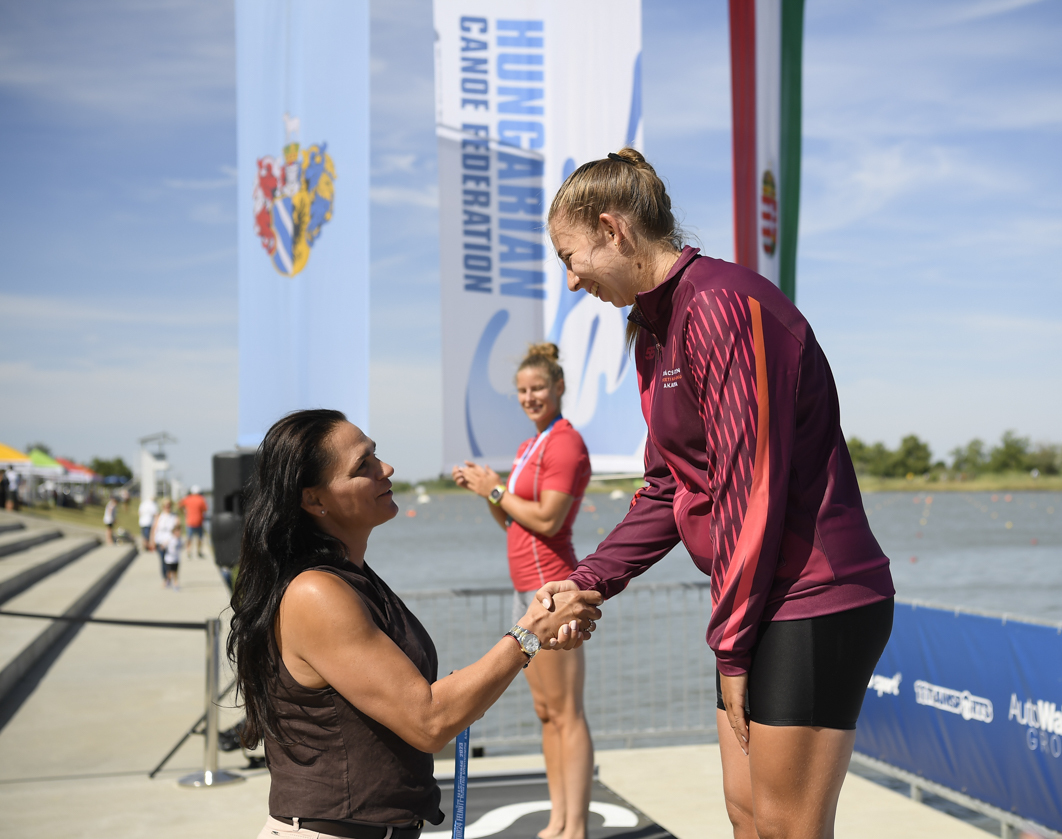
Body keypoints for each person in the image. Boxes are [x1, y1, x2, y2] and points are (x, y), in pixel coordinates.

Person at [536, 149, 896, 839]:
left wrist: (729, 646)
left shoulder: (720, 304)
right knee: (746, 813)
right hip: (755, 601)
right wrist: (587, 580)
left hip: (814, 594)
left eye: (569, 257)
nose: (572, 280)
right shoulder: (653, 330)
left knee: (788, 826)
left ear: (613, 229)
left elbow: (747, 488)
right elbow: (667, 487)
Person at [226, 409, 604, 839]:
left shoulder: (353, 578)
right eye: (363, 466)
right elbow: (429, 722)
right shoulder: (315, 593)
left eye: (376, 455)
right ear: (314, 501)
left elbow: (424, 706)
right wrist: (528, 633)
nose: (386, 469)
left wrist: (527, 643)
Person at [452, 343, 595, 839]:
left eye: (538, 388)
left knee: (566, 711)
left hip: (552, 588)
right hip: (526, 590)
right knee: (545, 712)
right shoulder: (528, 446)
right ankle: (559, 820)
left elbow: (548, 519)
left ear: (559, 387)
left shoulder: (565, 443)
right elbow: (513, 522)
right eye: (522, 390)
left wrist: (496, 489)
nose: (529, 397)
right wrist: (487, 491)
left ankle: (576, 828)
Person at [150, 498, 179, 588]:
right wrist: (152, 541)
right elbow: (154, 529)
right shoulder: (159, 516)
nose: (167, 507)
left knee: (172, 561)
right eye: (165, 505)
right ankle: (165, 578)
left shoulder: (174, 516)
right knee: (163, 561)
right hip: (160, 541)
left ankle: (173, 579)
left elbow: (178, 529)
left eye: (169, 505)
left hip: (171, 542)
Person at [179, 485, 208, 559]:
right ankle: (199, 552)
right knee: (200, 538)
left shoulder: (187, 498)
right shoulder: (201, 499)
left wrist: (184, 512)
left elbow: (179, 505)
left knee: (189, 538)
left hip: (189, 521)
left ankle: (188, 551)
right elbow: (205, 509)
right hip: (199, 521)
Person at [163, 522, 183, 590]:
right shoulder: (170, 538)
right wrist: (163, 546)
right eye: (177, 531)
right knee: (169, 572)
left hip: (176, 559)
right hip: (169, 559)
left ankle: (175, 584)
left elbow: (181, 547)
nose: (178, 533)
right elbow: (164, 545)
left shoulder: (179, 539)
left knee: (175, 572)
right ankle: (168, 581)